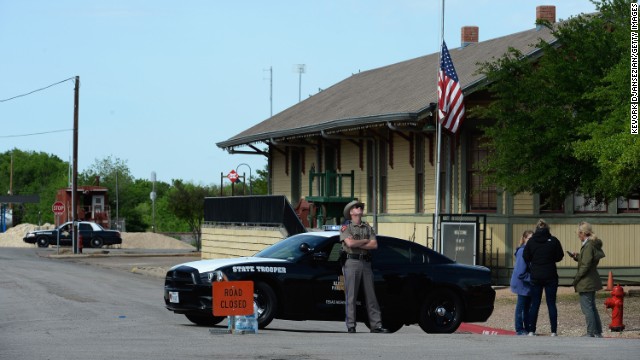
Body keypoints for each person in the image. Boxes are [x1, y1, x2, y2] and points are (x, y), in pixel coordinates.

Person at [340, 200, 389, 334]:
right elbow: (349, 243)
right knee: (352, 295)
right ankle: (351, 325)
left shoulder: (367, 227)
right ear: (351, 212)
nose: (360, 208)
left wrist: (359, 244)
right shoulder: (346, 227)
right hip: (352, 262)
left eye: (361, 207)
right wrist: (365, 241)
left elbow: (374, 245)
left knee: (371, 295)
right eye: (357, 207)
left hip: (366, 263)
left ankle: (376, 325)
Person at [523, 219, 564, 336]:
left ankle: (531, 330)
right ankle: (553, 331)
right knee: (551, 303)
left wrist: (534, 261)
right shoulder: (554, 241)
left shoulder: (531, 242)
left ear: (536, 228)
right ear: (548, 228)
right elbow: (559, 256)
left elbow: (526, 256)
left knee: (535, 303)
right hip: (550, 274)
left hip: (536, 275)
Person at [569, 221, 605, 338]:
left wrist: (576, 279)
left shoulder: (588, 245)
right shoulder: (591, 244)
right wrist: (578, 257)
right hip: (591, 279)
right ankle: (597, 332)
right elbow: (587, 260)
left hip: (586, 281)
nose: (577, 235)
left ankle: (591, 332)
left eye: (578, 233)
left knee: (587, 308)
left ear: (582, 233)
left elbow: (585, 265)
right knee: (592, 307)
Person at [510, 230, 534, 335]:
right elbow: (521, 272)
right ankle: (519, 329)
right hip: (522, 283)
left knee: (527, 307)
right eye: (529, 238)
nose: (531, 241)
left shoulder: (530, 250)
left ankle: (528, 328)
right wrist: (532, 278)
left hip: (527, 283)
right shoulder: (522, 251)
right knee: (521, 307)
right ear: (524, 239)